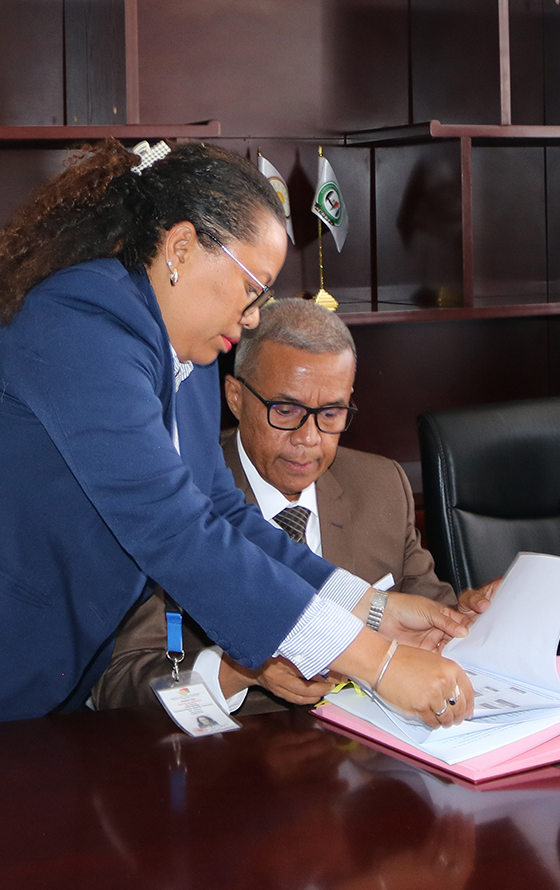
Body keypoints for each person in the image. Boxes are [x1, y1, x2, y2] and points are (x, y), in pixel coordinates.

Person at [0, 141, 475, 738]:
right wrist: (378, 662)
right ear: (180, 248)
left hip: (27, 642)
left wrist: (371, 609)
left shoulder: (188, 349)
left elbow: (220, 511)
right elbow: (175, 530)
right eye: (250, 287)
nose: (253, 316)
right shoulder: (78, 324)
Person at [94, 298, 497, 712]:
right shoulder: (174, 497)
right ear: (235, 397)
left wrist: (477, 620)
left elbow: (431, 621)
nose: (309, 437)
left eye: (331, 414)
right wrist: (238, 671)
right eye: (285, 410)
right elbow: (116, 684)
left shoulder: (381, 486)